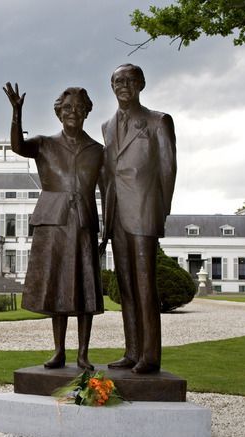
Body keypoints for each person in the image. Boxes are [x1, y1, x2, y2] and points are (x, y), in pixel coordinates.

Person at [3, 82, 104, 370]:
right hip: (53, 223)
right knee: (58, 288)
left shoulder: (98, 150)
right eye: (68, 108)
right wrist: (16, 114)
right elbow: (18, 146)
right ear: (59, 112)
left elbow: (109, 190)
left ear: (87, 112)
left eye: (79, 108)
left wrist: (107, 229)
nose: (74, 112)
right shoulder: (44, 144)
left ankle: (83, 353)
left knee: (85, 289)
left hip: (83, 222)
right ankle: (59, 351)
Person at [99, 64, 177, 374]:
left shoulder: (158, 121)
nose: (123, 85)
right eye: (118, 81)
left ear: (141, 83)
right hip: (116, 212)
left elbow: (168, 170)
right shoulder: (106, 126)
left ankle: (150, 355)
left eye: (130, 80)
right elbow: (107, 172)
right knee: (127, 286)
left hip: (144, 210)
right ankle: (132, 350)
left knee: (146, 286)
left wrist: (161, 210)